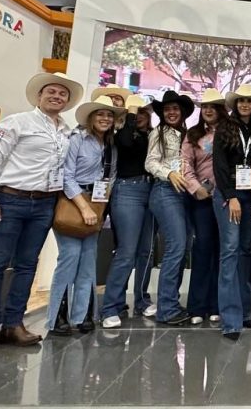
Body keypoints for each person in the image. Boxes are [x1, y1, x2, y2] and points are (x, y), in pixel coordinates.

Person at [0, 72, 83, 360]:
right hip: (10, 200)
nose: (57, 96)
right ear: (39, 95)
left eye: (62, 94)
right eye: (51, 91)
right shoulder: (16, 122)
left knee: (27, 265)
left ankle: (13, 323)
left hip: (44, 204)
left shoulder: (66, 131)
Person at [47, 95, 123, 336]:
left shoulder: (111, 146)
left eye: (109, 115)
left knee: (89, 259)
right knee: (70, 256)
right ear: (91, 117)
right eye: (100, 114)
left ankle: (82, 314)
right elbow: (66, 175)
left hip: (96, 203)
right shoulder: (77, 139)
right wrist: (84, 207)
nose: (105, 118)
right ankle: (57, 315)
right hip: (72, 202)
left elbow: (110, 178)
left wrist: (99, 208)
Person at [212, 84, 251, 340]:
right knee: (230, 251)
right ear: (235, 105)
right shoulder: (224, 129)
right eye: (241, 101)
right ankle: (230, 320)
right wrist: (230, 196)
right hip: (229, 196)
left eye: (249, 101)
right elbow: (219, 165)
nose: (245, 104)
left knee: (245, 251)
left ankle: (244, 310)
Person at [101, 95, 157, 328]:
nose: (140, 116)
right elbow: (125, 141)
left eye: (144, 112)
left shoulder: (152, 136)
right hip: (127, 190)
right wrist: (131, 114)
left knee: (146, 251)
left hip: (151, 190)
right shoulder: (121, 134)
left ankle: (142, 300)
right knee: (126, 251)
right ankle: (110, 306)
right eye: (137, 112)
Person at [145, 90, 196, 326]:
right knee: (176, 247)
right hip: (165, 191)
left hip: (184, 194)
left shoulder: (187, 134)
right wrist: (170, 173)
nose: (171, 113)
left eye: (175, 109)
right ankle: (166, 308)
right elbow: (150, 162)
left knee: (183, 247)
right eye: (167, 110)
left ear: (182, 112)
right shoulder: (158, 133)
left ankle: (171, 302)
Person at [182, 89, 225, 325]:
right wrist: (195, 187)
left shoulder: (230, 132)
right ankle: (197, 306)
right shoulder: (193, 134)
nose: (208, 110)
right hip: (202, 199)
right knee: (203, 249)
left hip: (226, 198)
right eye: (205, 106)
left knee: (222, 250)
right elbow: (185, 164)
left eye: (213, 106)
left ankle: (217, 304)